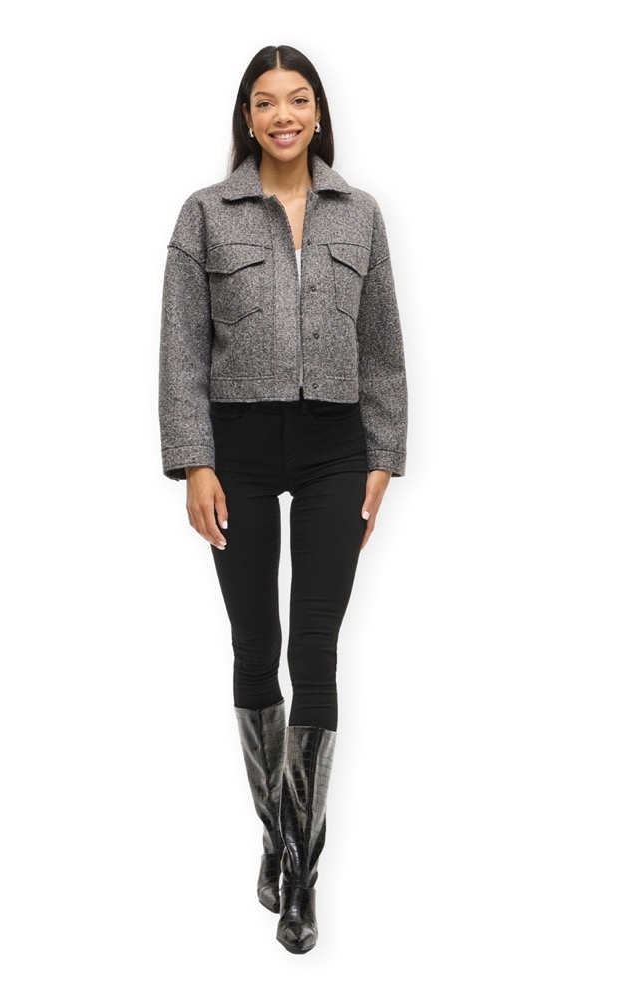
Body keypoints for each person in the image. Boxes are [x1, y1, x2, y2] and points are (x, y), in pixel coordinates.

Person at [158, 44, 408, 954]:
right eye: (266, 102)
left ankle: (299, 870)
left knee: (316, 646)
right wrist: (194, 461)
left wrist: (384, 453)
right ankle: (278, 829)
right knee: (255, 644)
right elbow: (182, 349)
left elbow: (382, 344)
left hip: (338, 446)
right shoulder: (205, 215)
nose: (283, 116)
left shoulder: (360, 213)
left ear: (318, 111)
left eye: (297, 99)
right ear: (248, 117)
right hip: (240, 451)